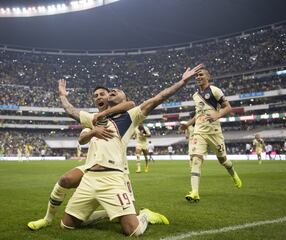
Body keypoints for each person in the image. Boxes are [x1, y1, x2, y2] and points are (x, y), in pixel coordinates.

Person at [59, 65, 203, 236]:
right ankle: (108, 213)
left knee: (132, 230)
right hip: (89, 178)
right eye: (111, 90)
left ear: (124, 98)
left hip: (113, 178)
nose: (112, 90)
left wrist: (183, 81)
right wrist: (62, 94)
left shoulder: (131, 116)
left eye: (117, 91)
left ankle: (145, 215)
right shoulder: (94, 119)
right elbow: (70, 111)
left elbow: (160, 97)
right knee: (66, 226)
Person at [27, 86, 136, 231]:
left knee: (127, 217)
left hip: (117, 169)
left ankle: (129, 214)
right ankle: (47, 219)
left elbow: (131, 104)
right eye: (95, 95)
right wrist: (62, 95)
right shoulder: (92, 119)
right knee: (65, 179)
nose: (98, 97)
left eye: (103, 94)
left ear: (109, 98)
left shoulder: (123, 117)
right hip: (91, 167)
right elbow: (72, 114)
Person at [180, 66, 242, 203]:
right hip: (199, 131)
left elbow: (228, 107)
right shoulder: (195, 96)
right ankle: (194, 192)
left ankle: (234, 174)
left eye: (201, 74)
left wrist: (217, 115)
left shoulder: (215, 90)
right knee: (196, 159)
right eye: (196, 76)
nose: (198, 77)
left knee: (223, 161)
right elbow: (198, 114)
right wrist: (188, 124)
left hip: (214, 132)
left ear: (208, 76)